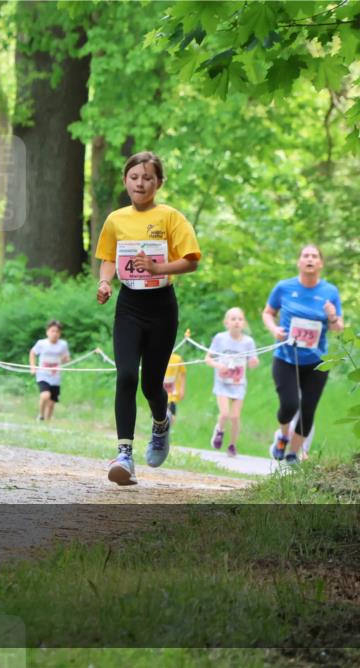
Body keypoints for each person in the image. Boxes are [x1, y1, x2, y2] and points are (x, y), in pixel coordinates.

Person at [95, 152, 201, 485]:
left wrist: (158, 268)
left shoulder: (171, 218)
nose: (141, 183)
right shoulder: (115, 219)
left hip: (161, 306)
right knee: (125, 374)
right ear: (125, 180)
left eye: (148, 178)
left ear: (158, 182)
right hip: (129, 305)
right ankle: (124, 454)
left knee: (151, 384)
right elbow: (108, 258)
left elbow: (191, 260)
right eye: (135, 177)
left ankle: (160, 423)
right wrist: (104, 282)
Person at [262, 244, 344, 466]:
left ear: (320, 263)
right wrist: (275, 330)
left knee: (308, 410)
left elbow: (339, 328)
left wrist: (333, 316)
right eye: (306, 256)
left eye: (314, 256)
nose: (310, 259)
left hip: (317, 362)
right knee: (289, 405)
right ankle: (282, 436)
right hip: (286, 358)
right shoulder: (284, 287)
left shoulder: (330, 292)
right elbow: (268, 313)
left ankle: (292, 454)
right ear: (299, 262)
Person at [205, 308, 260, 457]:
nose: (237, 322)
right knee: (224, 414)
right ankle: (220, 431)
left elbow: (253, 361)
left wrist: (254, 362)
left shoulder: (248, 342)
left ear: (244, 323)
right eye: (233, 319)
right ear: (226, 323)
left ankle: (232, 445)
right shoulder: (220, 338)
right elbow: (208, 358)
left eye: (240, 319)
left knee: (235, 417)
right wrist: (219, 366)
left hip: (238, 384)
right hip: (222, 383)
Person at [29, 320, 71, 421]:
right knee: (45, 396)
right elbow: (32, 353)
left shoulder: (63, 344)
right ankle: (41, 415)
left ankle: (48, 421)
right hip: (43, 375)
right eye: (52, 331)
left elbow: (67, 359)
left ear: (60, 334)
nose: (54, 334)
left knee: (52, 403)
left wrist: (65, 359)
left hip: (56, 376)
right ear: (47, 332)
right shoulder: (41, 343)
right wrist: (33, 367)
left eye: (57, 332)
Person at [163, 351, 186, 424]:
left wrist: (182, 389)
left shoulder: (177, 359)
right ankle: (159, 433)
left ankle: (166, 432)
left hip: (172, 394)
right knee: (159, 417)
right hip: (160, 393)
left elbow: (183, 373)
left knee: (171, 417)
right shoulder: (157, 357)